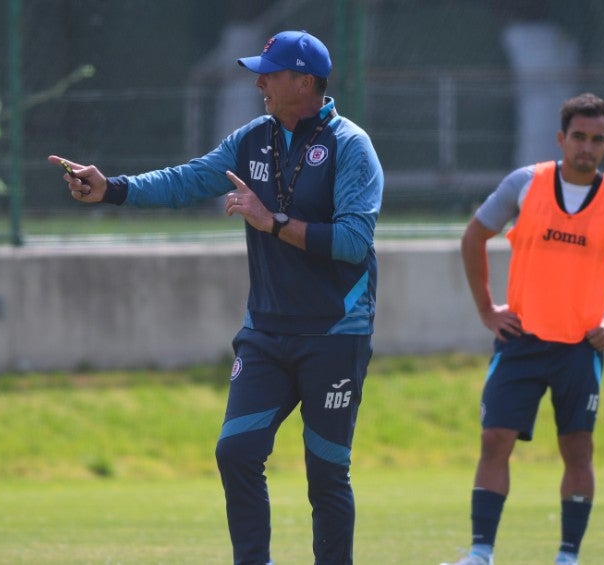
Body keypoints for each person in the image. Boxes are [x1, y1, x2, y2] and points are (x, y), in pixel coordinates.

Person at [48, 30, 383, 564]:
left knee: (325, 474)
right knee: (237, 452)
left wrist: (269, 221)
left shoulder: (350, 146)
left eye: (270, 74)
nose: (259, 83)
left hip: (335, 332)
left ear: (304, 82)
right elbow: (188, 179)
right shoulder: (253, 138)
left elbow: (350, 243)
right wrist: (111, 187)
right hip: (267, 332)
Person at [442, 93, 604, 565]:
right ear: (561, 138)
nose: (587, 147)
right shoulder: (526, 185)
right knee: (494, 439)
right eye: (578, 137)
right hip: (521, 339)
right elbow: (474, 235)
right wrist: (486, 309)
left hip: (580, 348)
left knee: (577, 448)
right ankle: (480, 552)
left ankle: (567, 556)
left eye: (597, 139)